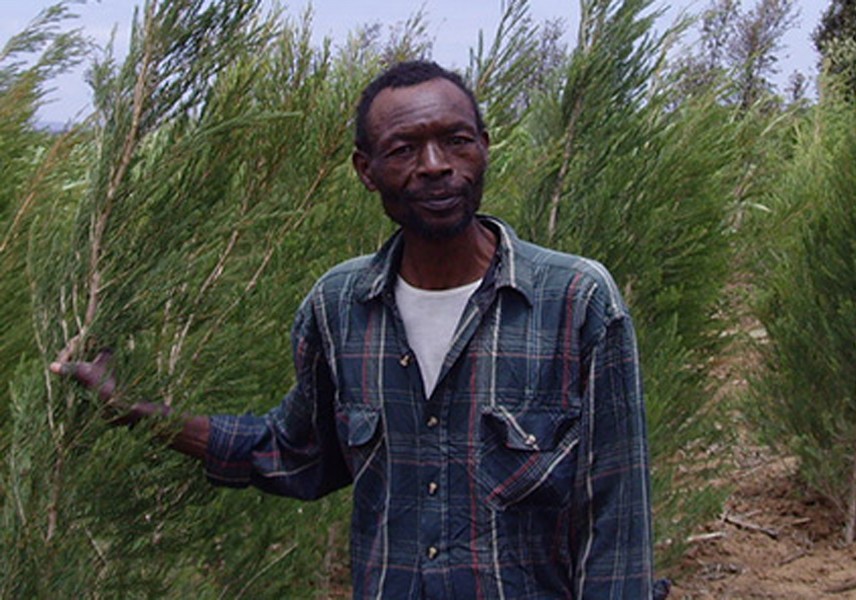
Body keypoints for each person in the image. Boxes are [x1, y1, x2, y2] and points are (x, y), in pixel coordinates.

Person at [52, 60, 667, 599]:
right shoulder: (340, 306)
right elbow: (293, 453)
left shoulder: (575, 299)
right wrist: (133, 412)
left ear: (484, 146)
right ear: (365, 170)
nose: (435, 166)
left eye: (456, 141)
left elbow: (616, 516)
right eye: (403, 149)